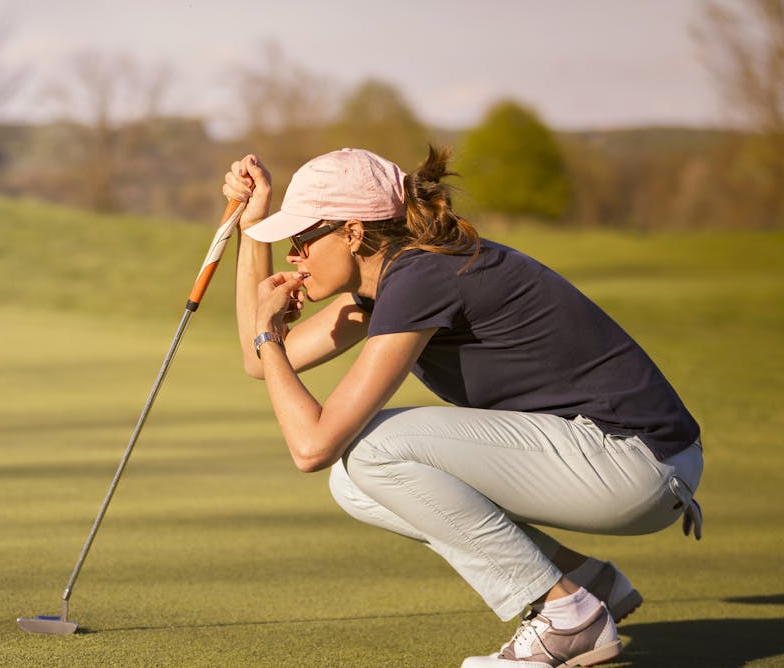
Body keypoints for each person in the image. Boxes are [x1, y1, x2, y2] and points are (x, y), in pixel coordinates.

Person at [221, 147, 703, 668]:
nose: (294, 255)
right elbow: (257, 360)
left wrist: (269, 332)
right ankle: (582, 579)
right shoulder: (396, 279)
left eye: (301, 239)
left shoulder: (421, 278)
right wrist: (252, 229)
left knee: (373, 449)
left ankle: (569, 617)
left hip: (636, 462)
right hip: (620, 458)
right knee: (353, 484)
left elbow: (312, 446)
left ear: (354, 233)